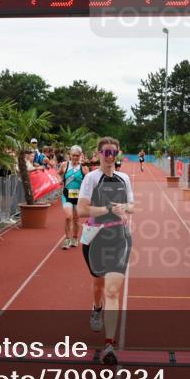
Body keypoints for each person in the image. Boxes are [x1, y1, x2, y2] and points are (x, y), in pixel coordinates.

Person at [77, 137, 134, 365]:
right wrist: (108, 208)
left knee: (112, 291)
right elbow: (81, 210)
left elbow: (132, 205)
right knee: (98, 283)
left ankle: (109, 344)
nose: (110, 156)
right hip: (94, 238)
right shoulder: (90, 179)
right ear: (98, 154)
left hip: (119, 237)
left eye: (113, 152)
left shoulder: (125, 178)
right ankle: (96, 307)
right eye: (106, 152)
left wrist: (125, 208)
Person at [58, 145, 89, 250]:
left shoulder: (83, 167)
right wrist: (59, 180)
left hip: (78, 197)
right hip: (67, 195)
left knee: (76, 219)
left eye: (77, 155)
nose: (75, 157)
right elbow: (58, 174)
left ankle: (75, 238)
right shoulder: (64, 165)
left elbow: (89, 181)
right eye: (73, 155)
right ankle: (67, 239)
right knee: (68, 217)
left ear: (80, 156)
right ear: (70, 155)